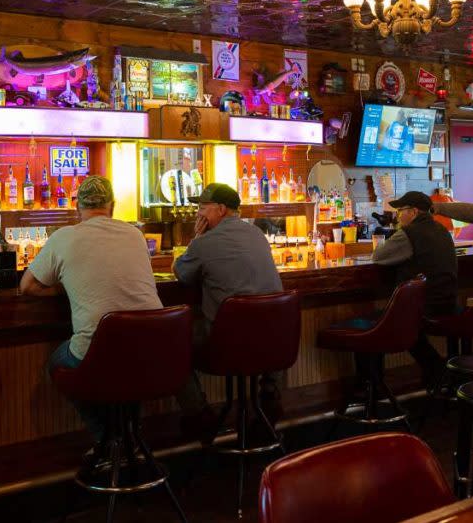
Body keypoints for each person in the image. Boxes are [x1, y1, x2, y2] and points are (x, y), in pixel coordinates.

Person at [20, 175, 162, 442]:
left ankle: (106, 440)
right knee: (130, 369)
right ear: (113, 206)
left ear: (77, 207)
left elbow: (27, 286)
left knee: (58, 363)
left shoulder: (65, 237)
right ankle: (129, 439)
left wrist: (65, 286)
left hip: (100, 354)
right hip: (154, 351)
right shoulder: (135, 234)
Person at [173, 183, 283, 432]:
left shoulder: (204, 243)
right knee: (265, 331)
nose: (197, 214)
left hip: (226, 345)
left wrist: (197, 238)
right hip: (276, 343)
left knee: (170, 341)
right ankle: (269, 397)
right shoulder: (257, 235)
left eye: (202, 208)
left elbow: (181, 273)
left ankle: (199, 416)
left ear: (221, 209)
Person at [372, 190, 458, 381]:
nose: (398, 215)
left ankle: (370, 390)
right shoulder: (442, 230)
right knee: (409, 328)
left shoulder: (408, 234)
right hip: (447, 302)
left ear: (414, 212)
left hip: (423, 307)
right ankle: (439, 374)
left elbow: (377, 257)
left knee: (381, 323)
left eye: (401, 210)